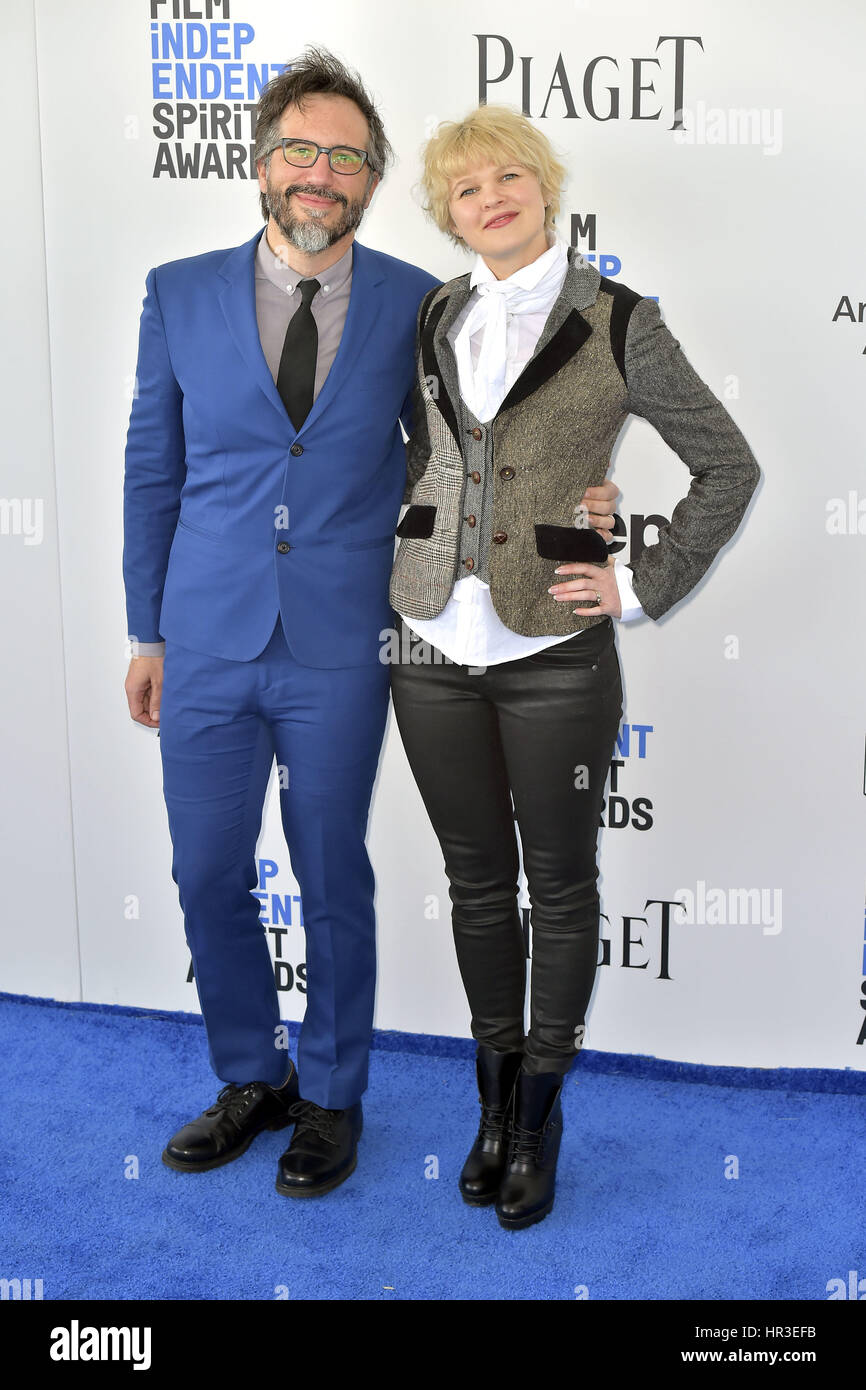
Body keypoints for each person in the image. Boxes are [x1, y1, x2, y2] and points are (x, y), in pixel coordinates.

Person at [122, 49, 622, 1199]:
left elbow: (474, 449)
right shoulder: (177, 289)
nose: (321, 171)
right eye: (302, 147)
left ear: (369, 180)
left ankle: (333, 1096)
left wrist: (579, 507)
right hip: (201, 634)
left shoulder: (417, 301)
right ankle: (251, 1075)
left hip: (348, 638)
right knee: (205, 870)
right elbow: (154, 465)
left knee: (330, 870)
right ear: (260, 162)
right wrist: (145, 627)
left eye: (347, 156)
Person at [388, 104, 760, 1230]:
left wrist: (639, 580)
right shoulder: (435, 314)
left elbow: (725, 466)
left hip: (552, 646)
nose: (489, 198)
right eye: (465, 189)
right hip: (424, 641)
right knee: (470, 880)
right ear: (447, 215)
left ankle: (541, 1110)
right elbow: (429, 454)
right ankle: (491, 1103)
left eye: (508, 177)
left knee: (557, 883)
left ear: (544, 187)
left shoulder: (618, 319)